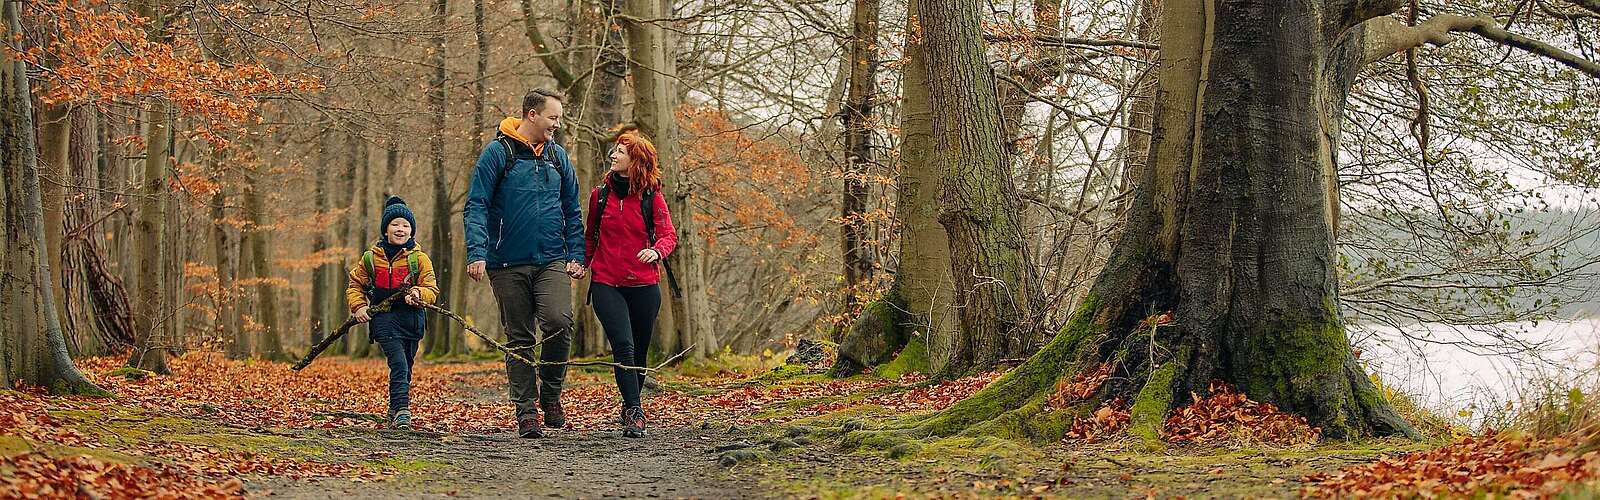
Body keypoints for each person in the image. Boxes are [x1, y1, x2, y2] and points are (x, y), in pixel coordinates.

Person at [463, 88, 587, 438]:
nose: (557, 125)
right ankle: (526, 410)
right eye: (553, 117)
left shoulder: (558, 158)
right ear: (532, 115)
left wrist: (576, 255)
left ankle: (550, 393)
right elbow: (477, 206)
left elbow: (572, 211)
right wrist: (478, 252)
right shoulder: (497, 154)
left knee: (559, 322)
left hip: (551, 259)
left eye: (559, 118)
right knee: (519, 337)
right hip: (506, 263)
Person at [585, 131, 677, 438]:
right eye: (614, 151)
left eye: (620, 152)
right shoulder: (600, 196)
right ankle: (636, 410)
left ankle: (629, 405)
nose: (613, 155)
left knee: (638, 351)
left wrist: (656, 251)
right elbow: (590, 237)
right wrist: (580, 264)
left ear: (635, 161)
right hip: (606, 281)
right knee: (622, 345)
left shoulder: (653, 197)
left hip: (644, 285)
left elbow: (668, 236)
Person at [345, 196, 441, 430]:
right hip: (384, 318)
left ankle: (394, 408)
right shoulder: (371, 258)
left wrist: (417, 294)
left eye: (406, 225)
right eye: (395, 224)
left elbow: (432, 289)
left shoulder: (419, 260)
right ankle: (403, 412)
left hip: (412, 320)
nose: (401, 229)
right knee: (398, 363)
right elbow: (355, 284)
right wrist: (359, 307)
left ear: (412, 231)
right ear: (386, 229)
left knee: (406, 365)